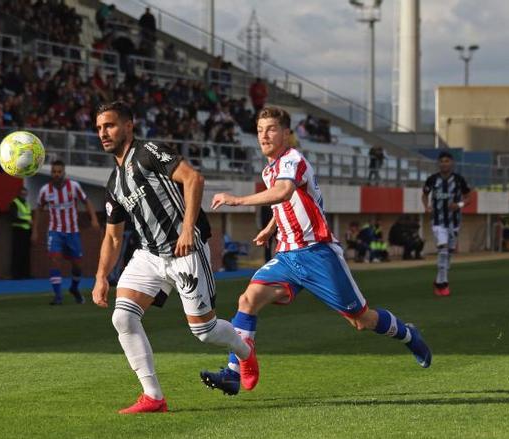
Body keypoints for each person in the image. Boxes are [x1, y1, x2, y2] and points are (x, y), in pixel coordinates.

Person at [200, 105, 432, 396]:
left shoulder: (292, 159)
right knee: (248, 299)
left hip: (318, 253)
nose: (264, 135)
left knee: (361, 320)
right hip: (287, 256)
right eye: (260, 130)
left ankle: (409, 335)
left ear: (286, 133)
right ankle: (234, 372)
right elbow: (287, 200)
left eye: (271, 129)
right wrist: (272, 226)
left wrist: (237, 200)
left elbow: (284, 191)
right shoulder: (270, 169)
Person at [91, 100, 257, 414]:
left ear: (129, 125)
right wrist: (101, 276)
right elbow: (112, 236)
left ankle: (244, 351)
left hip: (185, 250)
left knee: (204, 333)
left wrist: (186, 229)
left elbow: (194, 179)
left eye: (110, 125)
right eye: (99, 128)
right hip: (149, 255)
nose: (103, 133)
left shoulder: (149, 152)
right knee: (122, 317)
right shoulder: (113, 183)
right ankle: (153, 396)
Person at [32, 160, 99, 305]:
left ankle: (74, 288)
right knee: (54, 260)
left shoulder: (73, 186)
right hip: (54, 231)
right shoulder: (45, 190)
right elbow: (38, 208)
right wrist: (35, 230)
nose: (56, 174)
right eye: (54, 172)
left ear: (64, 173)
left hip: (72, 232)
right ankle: (58, 296)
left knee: (77, 264)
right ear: (51, 173)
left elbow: (86, 202)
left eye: (59, 172)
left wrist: (94, 219)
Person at [422, 151, 471, 297]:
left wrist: (459, 204)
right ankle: (443, 285)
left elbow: (468, 198)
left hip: (454, 222)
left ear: (452, 163)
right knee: (443, 249)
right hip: (437, 221)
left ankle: (439, 281)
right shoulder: (432, 179)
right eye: (442, 161)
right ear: (439, 163)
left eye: (447, 161)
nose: (444, 163)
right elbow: (424, 195)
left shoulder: (459, 180)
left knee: (449, 252)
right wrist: (427, 207)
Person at [9, 187, 33, 279]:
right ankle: (16, 274)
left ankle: (25, 273)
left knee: (26, 253)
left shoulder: (27, 204)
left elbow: (29, 215)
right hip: (18, 230)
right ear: (19, 194)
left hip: (27, 231)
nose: (24, 195)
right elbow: (13, 217)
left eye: (25, 194)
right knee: (17, 252)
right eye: (22, 193)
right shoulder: (15, 203)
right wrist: (27, 221)